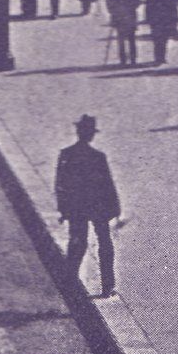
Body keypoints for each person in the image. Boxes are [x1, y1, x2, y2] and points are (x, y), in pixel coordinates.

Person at [54, 114, 122, 298]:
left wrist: (63, 209)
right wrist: (115, 209)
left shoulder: (66, 154)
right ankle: (107, 286)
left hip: (77, 207)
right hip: (98, 206)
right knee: (105, 245)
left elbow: (60, 184)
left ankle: (69, 284)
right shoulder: (98, 157)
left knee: (77, 243)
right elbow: (108, 184)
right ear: (91, 135)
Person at [104, 0, 140, 67]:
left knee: (131, 38)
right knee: (121, 38)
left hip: (130, 15)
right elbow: (109, 0)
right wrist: (113, 11)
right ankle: (123, 59)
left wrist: (131, 7)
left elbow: (137, 0)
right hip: (119, 16)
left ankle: (133, 59)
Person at [145, 0, 178, 65]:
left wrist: (175, 18)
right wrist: (149, 18)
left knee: (164, 38)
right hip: (156, 18)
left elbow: (174, 5)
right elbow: (148, 5)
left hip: (166, 18)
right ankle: (158, 57)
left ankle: (162, 57)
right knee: (157, 39)